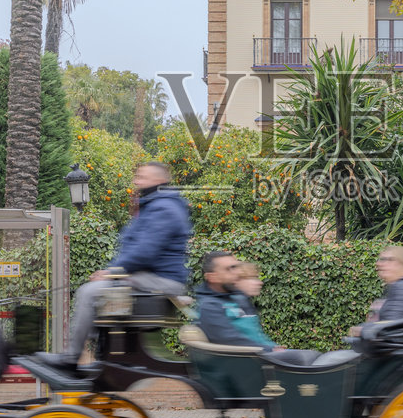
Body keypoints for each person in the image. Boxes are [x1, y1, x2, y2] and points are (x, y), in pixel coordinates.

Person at [49, 161, 192, 376]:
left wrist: (112, 272)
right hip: (153, 278)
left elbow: (145, 251)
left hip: (161, 281)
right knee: (99, 290)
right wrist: (112, 272)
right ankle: (101, 353)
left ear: (159, 180)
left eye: (142, 177)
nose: (136, 181)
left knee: (88, 293)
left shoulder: (164, 207)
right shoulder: (158, 204)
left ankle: (71, 359)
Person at [194, 251, 312, 364]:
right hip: (246, 363)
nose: (236, 273)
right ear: (212, 277)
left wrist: (271, 347)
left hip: (257, 357)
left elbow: (254, 334)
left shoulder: (237, 299)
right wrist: (269, 349)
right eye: (229, 269)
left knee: (313, 356)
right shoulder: (209, 307)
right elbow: (231, 340)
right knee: (301, 358)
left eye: (235, 267)